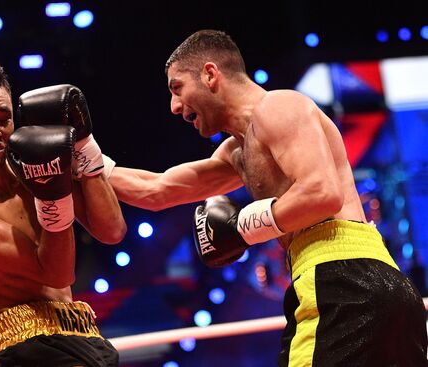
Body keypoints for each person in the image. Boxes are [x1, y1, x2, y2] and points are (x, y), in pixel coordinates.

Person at [106, 30, 428, 366]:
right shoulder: (238, 150)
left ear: (210, 74)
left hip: (342, 279)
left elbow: (322, 192)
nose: (174, 106)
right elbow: (158, 190)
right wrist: (85, 161)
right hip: (368, 283)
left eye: (177, 88)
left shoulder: (278, 106)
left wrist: (243, 227)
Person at [0, 56, 126, 366]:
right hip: (32, 348)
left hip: (86, 335)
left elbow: (111, 230)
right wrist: (54, 192)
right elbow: (57, 273)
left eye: (3, 118)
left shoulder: (32, 163)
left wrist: (84, 146)